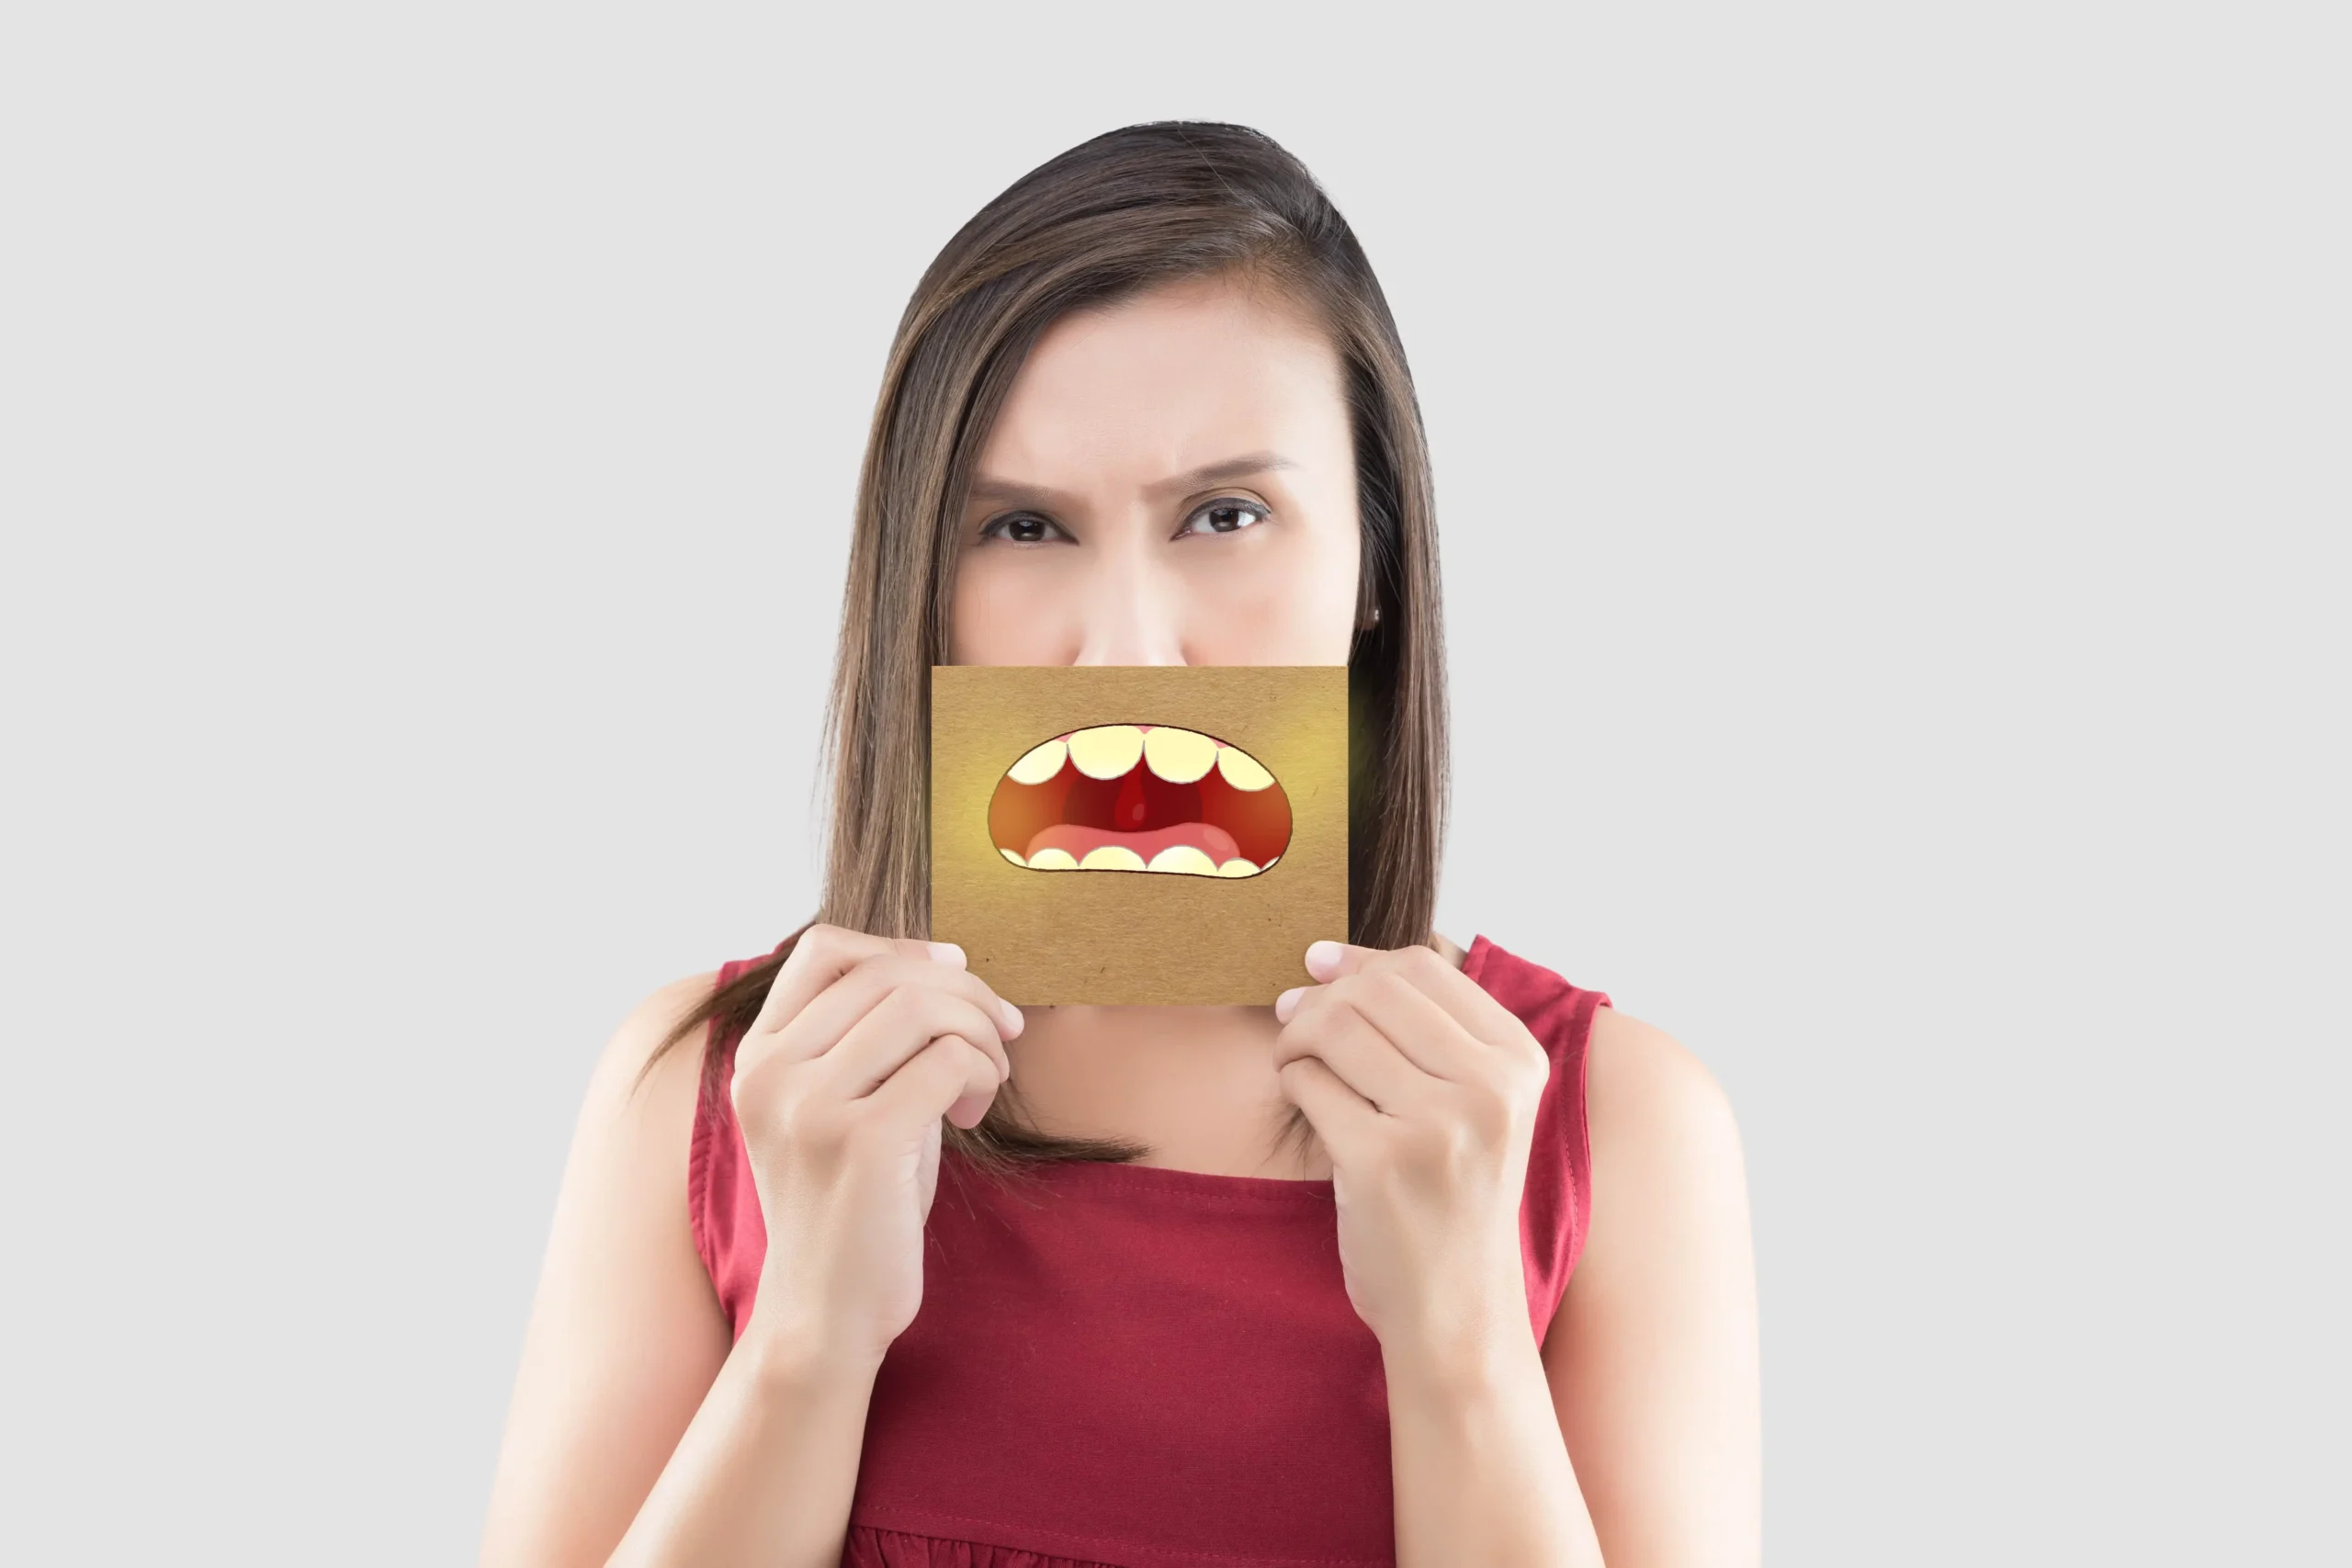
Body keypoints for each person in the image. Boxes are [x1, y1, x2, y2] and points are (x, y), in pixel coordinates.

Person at [478, 121, 1760, 1568]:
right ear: (926, 588)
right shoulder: (713, 1094)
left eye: (1227, 514)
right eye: (1024, 528)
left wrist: (1462, 1345)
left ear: (1376, 565)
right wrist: (807, 1342)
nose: (1129, 642)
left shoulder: (1610, 1127)